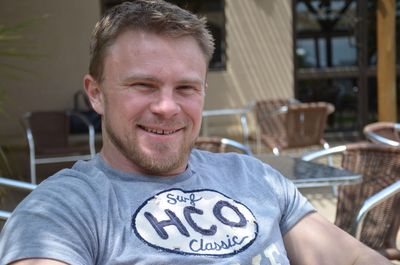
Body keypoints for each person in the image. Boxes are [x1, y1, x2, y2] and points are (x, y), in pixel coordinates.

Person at [0, 1, 392, 264]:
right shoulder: (63, 210)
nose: (167, 107)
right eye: (143, 85)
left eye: (186, 88)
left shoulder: (254, 177)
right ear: (97, 94)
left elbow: (354, 259)